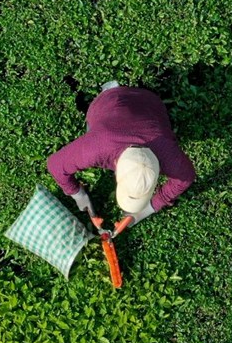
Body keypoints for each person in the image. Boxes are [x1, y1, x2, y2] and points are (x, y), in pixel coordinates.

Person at [47, 81, 195, 236]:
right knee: (92, 127)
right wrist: (78, 194)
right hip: (111, 101)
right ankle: (111, 89)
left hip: (150, 101)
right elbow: (55, 165)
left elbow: (186, 178)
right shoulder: (98, 145)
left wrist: (146, 210)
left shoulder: (170, 155)